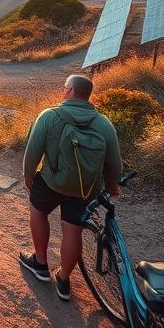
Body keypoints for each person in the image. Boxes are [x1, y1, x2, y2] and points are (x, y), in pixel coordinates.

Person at [19, 74, 121, 301]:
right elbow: (115, 162)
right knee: (72, 229)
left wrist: (28, 178)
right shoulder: (104, 124)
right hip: (85, 188)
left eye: (65, 87)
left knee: (38, 211)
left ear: (71, 90)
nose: (64, 90)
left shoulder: (49, 116)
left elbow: (32, 151)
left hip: (51, 182)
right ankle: (63, 280)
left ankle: (40, 263)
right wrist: (112, 185)